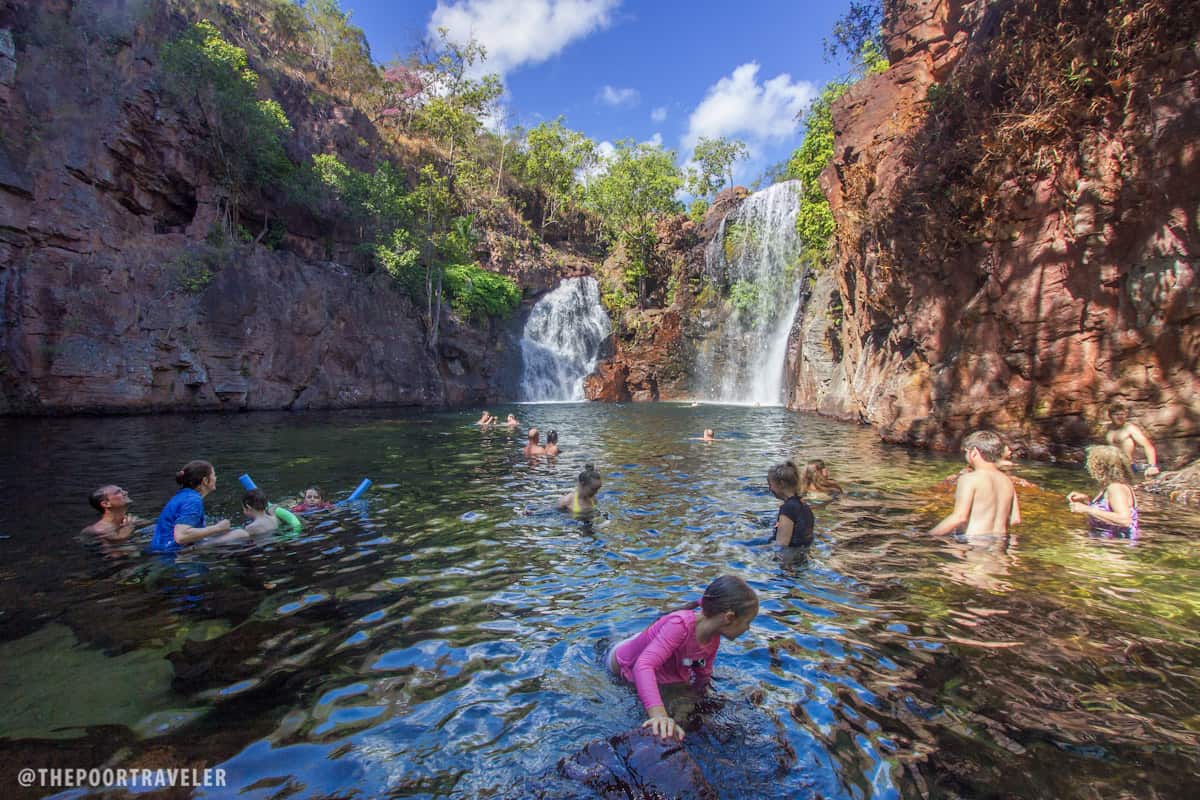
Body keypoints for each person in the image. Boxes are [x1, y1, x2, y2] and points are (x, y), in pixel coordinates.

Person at [607, 575, 759, 742]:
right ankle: (611, 632)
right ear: (729, 617)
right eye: (747, 622)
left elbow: (700, 665)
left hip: (670, 658)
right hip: (626, 662)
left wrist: (701, 691)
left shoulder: (713, 639)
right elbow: (643, 666)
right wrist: (659, 716)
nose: (747, 628)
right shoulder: (679, 625)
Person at [929, 430, 1020, 536]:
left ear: (974, 452)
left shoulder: (969, 479)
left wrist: (928, 536)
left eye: (966, 451)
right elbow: (1015, 520)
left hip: (974, 543)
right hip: (1000, 542)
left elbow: (959, 517)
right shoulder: (1007, 481)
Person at [148, 460, 243, 552]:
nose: (216, 478)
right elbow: (181, 536)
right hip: (173, 553)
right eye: (213, 475)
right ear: (205, 480)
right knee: (241, 534)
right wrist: (217, 528)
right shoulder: (193, 500)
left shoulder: (182, 496)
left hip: (160, 548)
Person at [1068, 444, 1139, 537]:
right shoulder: (1111, 486)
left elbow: (1125, 520)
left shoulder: (1116, 488)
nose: (1088, 467)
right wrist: (1086, 500)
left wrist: (1086, 509)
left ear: (1101, 467)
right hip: (1103, 541)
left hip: (1115, 547)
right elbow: (1108, 509)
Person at [1104, 403, 1160, 476]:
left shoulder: (1130, 428)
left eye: (1122, 414)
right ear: (1110, 416)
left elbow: (1148, 446)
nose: (1120, 417)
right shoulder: (1108, 429)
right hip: (1112, 467)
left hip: (1128, 467)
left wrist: (1152, 466)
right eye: (1116, 414)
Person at [767, 461, 815, 547]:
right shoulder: (804, 505)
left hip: (790, 558)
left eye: (770, 485)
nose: (770, 489)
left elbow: (781, 545)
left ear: (781, 484)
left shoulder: (788, 508)